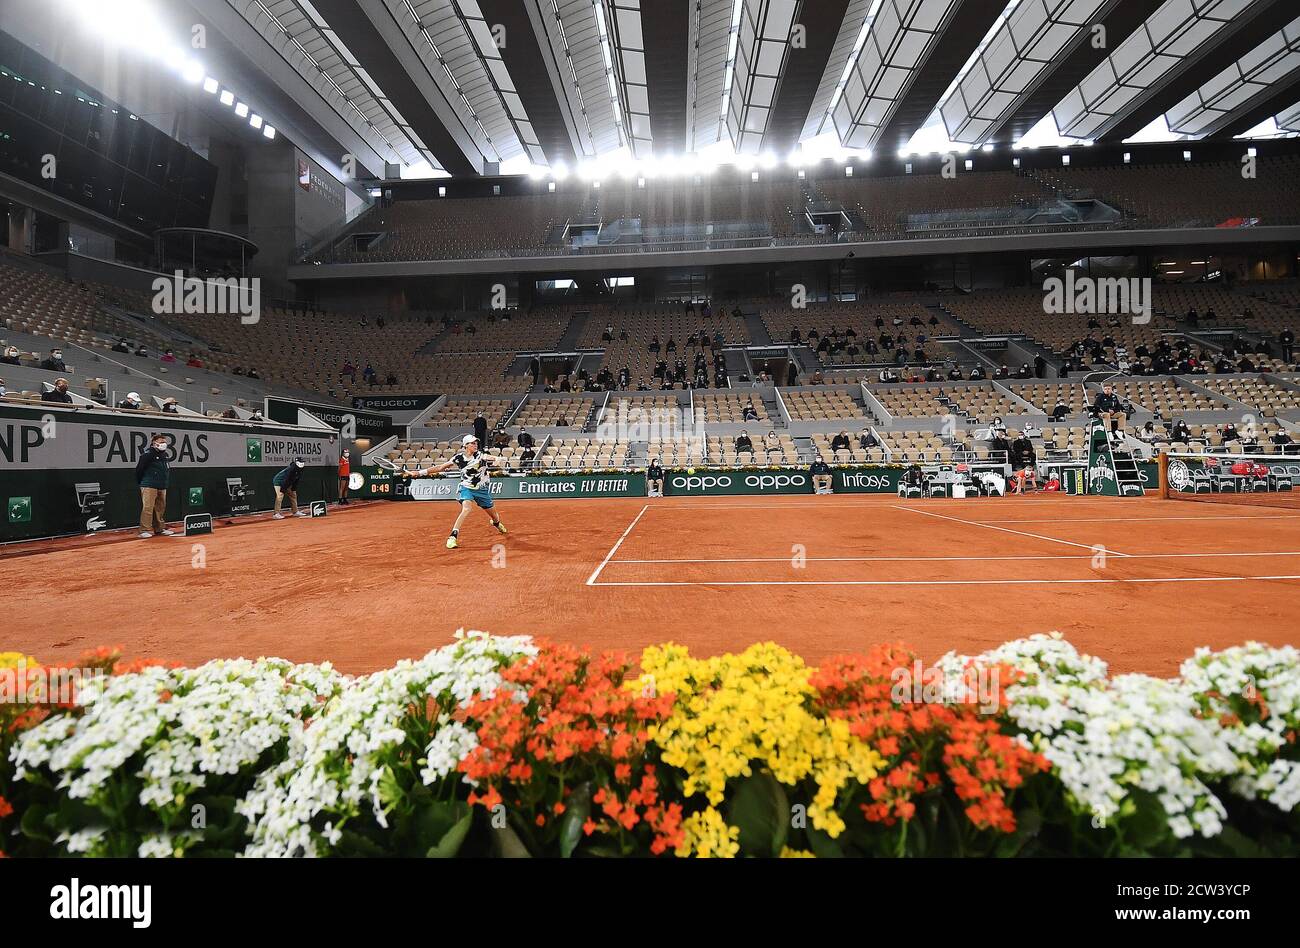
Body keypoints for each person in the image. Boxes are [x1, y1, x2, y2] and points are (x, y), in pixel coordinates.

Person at [401, 434, 507, 549]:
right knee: (466, 509)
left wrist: (497, 459)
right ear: (466, 445)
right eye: (472, 443)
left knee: (494, 516)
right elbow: (440, 467)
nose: (475, 445)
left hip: (482, 490)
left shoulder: (479, 455)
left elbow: (489, 457)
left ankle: (496, 523)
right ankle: (453, 537)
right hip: (467, 487)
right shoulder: (458, 458)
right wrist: (419, 473)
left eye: (476, 443)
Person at [135, 433, 174, 538]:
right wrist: (143, 483)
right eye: (161, 442)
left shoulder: (164, 455)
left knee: (160, 508)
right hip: (149, 485)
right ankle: (144, 530)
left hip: (162, 485)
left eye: (165, 442)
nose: (164, 444)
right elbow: (139, 470)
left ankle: (159, 529)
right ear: (154, 443)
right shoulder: (147, 455)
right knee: (148, 508)